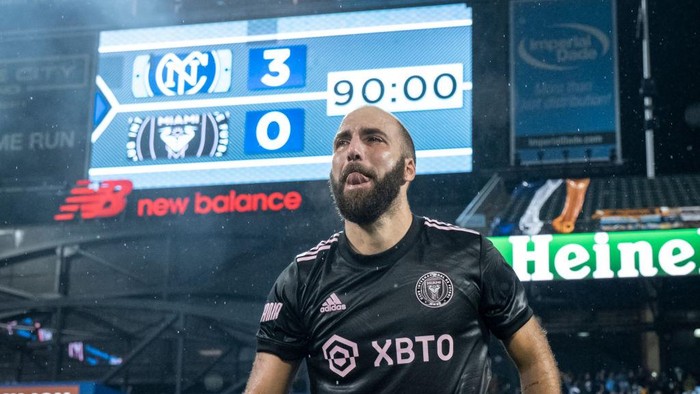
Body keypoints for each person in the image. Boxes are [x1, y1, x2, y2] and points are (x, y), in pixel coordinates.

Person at [245, 105, 560, 393]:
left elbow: (534, 358)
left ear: (408, 169)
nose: (352, 150)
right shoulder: (300, 279)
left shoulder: (470, 254)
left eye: (373, 139)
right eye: (341, 143)